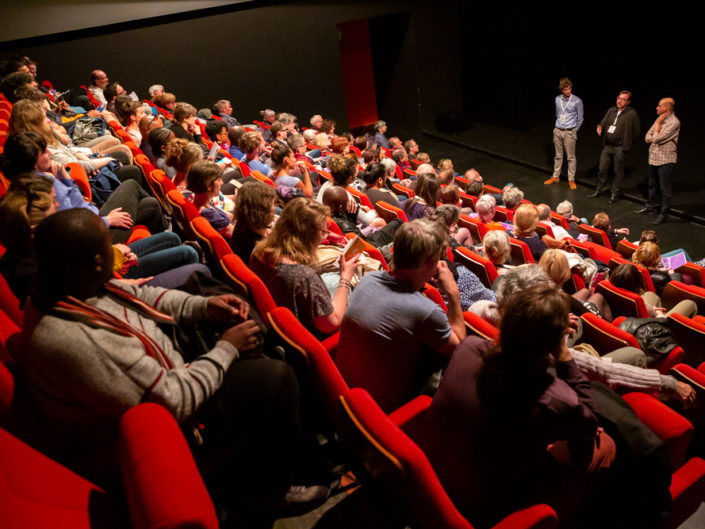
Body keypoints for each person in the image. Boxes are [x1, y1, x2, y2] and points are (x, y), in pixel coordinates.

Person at [19, 208, 329, 516]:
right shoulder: (79, 340)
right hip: (164, 428)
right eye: (107, 245)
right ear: (97, 262)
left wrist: (205, 306)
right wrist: (226, 349)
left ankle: (273, 443)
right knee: (276, 377)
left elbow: (143, 298)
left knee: (213, 297)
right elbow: (171, 400)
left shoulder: (67, 283)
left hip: (159, 360)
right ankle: (264, 491)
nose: (117, 249)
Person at [417, 283, 616, 527]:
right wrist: (563, 353)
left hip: (426, 480)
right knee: (604, 445)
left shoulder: (468, 348)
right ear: (552, 344)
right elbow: (587, 424)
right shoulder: (556, 400)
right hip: (483, 510)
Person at [336, 219, 467, 413]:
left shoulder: (368, 279)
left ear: (393, 251)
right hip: (380, 411)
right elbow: (459, 345)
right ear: (432, 264)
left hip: (343, 391)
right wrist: (453, 295)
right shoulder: (425, 311)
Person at [250, 198, 359, 338]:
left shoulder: (259, 250)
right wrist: (345, 277)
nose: (323, 237)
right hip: (312, 337)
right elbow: (331, 323)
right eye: (323, 232)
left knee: (331, 278)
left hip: (278, 323)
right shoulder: (303, 276)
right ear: (308, 235)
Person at [589, 90, 640, 204]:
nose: (620, 101)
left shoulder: (631, 113)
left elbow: (636, 131)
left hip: (619, 148)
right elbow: (603, 121)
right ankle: (599, 189)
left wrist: (628, 144)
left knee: (618, 172)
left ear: (628, 102)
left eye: (623, 99)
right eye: (619, 98)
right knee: (602, 169)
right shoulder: (612, 110)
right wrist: (600, 126)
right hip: (608, 146)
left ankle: (614, 194)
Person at [636, 98, 680, 225]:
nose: (657, 108)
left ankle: (663, 214)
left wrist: (656, 131)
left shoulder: (674, 122)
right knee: (651, 184)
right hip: (654, 157)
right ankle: (650, 207)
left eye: (659, 106)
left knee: (665, 189)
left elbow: (657, 138)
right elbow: (647, 137)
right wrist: (656, 132)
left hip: (665, 159)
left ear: (667, 107)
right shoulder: (659, 119)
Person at [611, 262, 695, 318]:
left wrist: (652, 309)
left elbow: (647, 307)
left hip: (640, 315)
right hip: (652, 325)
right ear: (637, 282)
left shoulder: (609, 289)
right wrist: (659, 315)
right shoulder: (637, 302)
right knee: (690, 303)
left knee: (650, 294)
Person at [545, 78, 583, 189]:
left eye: (570, 88)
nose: (568, 91)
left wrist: (573, 130)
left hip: (569, 131)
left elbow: (580, 118)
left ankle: (571, 179)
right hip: (558, 130)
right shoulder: (557, 99)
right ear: (562, 90)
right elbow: (558, 113)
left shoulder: (577, 101)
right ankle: (555, 176)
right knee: (558, 155)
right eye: (566, 89)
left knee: (571, 157)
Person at [230, 181, 277, 263]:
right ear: (262, 211)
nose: (275, 208)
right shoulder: (262, 251)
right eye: (273, 204)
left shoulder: (243, 222)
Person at [186, 161, 234, 238]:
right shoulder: (210, 215)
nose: (222, 182)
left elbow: (228, 215)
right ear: (209, 186)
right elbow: (237, 236)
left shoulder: (198, 200)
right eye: (218, 180)